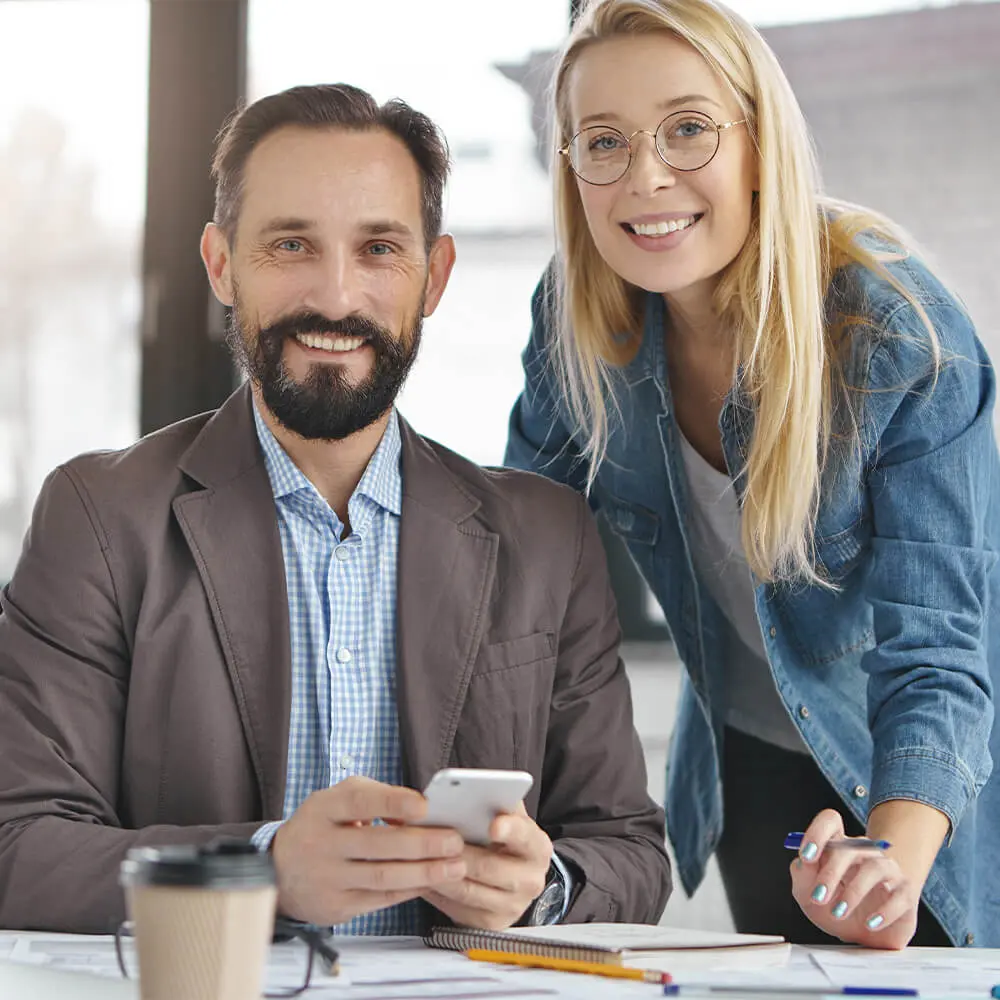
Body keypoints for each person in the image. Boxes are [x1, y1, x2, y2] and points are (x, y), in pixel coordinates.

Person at [0, 83, 671, 935]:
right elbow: (17, 847)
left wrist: (544, 887)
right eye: (290, 245)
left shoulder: (546, 536)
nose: (337, 297)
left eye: (380, 248)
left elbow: (631, 855)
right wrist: (263, 870)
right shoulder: (98, 519)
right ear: (220, 266)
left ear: (434, 277)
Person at [505, 0, 1000, 950]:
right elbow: (518, 563)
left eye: (687, 129)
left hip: (943, 782)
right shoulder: (576, 319)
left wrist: (892, 861)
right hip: (756, 757)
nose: (646, 177)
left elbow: (937, 647)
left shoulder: (894, 331)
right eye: (603, 141)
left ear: (759, 141)